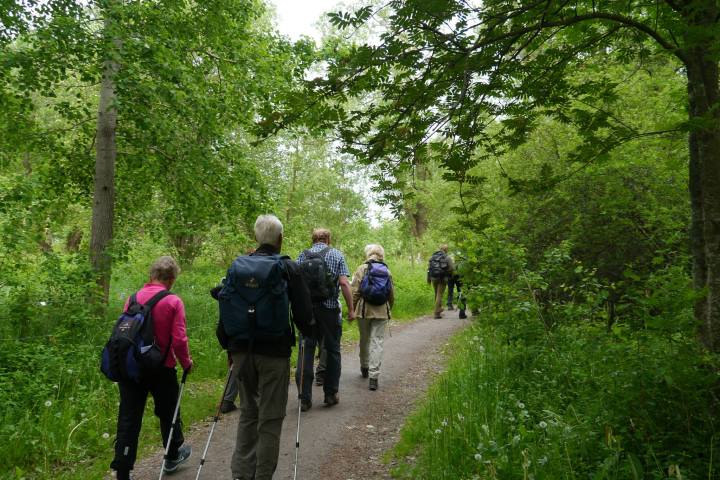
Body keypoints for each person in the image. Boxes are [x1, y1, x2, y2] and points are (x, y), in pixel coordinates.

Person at [216, 214, 313, 480]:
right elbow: (304, 314)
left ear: (256, 238)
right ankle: (262, 476)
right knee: (270, 417)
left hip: (240, 350)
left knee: (248, 411)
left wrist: (229, 348)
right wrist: (309, 334)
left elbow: (225, 307)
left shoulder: (238, 266)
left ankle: (241, 473)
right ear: (280, 239)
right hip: (274, 352)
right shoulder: (288, 267)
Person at [110, 256, 193, 480]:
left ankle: (123, 469)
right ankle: (172, 456)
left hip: (132, 367)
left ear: (152, 275)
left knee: (129, 416)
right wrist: (186, 363)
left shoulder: (133, 298)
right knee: (168, 412)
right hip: (161, 368)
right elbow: (179, 340)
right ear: (172, 278)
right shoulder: (173, 301)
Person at [296, 228, 355, 410]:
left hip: (307, 312)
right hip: (329, 311)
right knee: (332, 350)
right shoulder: (336, 254)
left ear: (313, 239)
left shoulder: (302, 256)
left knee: (306, 350)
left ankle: (305, 398)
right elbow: (344, 283)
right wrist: (351, 309)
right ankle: (330, 394)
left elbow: (296, 283)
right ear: (328, 239)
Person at [350, 244, 394, 390]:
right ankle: (374, 377)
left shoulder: (362, 268)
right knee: (378, 342)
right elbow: (390, 294)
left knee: (365, 339)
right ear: (381, 255)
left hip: (364, 310)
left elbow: (355, 291)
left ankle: (364, 367)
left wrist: (352, 309)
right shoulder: (386, 270)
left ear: (368, 254)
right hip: (381, 310)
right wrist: (389, 309)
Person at [427, 244, 455, 319]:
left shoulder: (432, 257)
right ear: (446, 250)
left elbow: (429, 268)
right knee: (439, 294)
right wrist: (448, 274)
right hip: (442, 278)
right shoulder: (447, 257)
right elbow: (452, 268)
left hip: (433, 278)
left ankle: (438, 311)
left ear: (440, 249)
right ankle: (436, 313)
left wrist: (429, 278)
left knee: (436, 293)